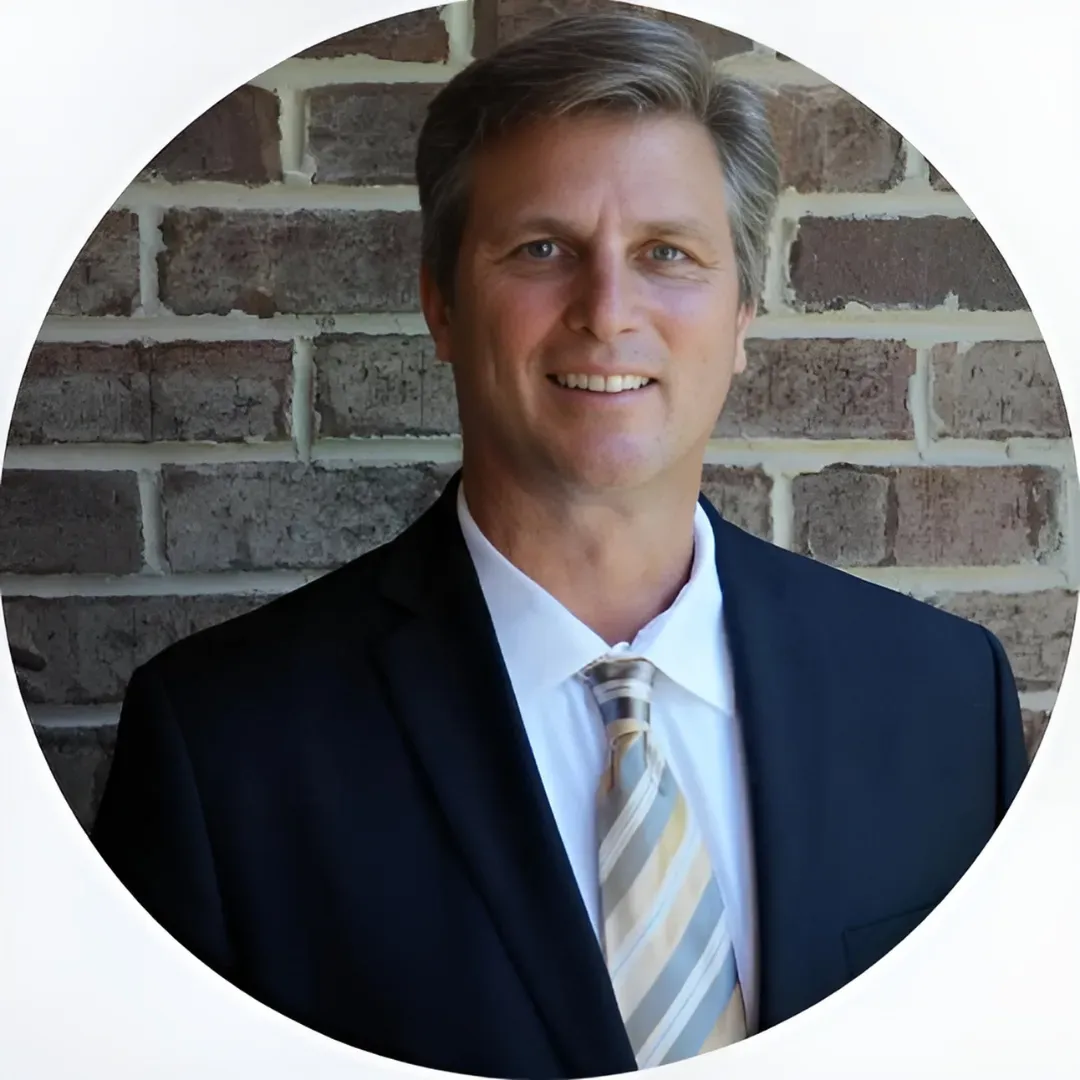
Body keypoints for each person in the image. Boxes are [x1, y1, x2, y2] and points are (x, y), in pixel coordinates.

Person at [91, 13, 1027, 1078]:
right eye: (543, 250)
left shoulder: (945, 702)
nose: (608, 311)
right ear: (441, 303)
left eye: (667, 254)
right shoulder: (225, 751)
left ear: (742, 316)